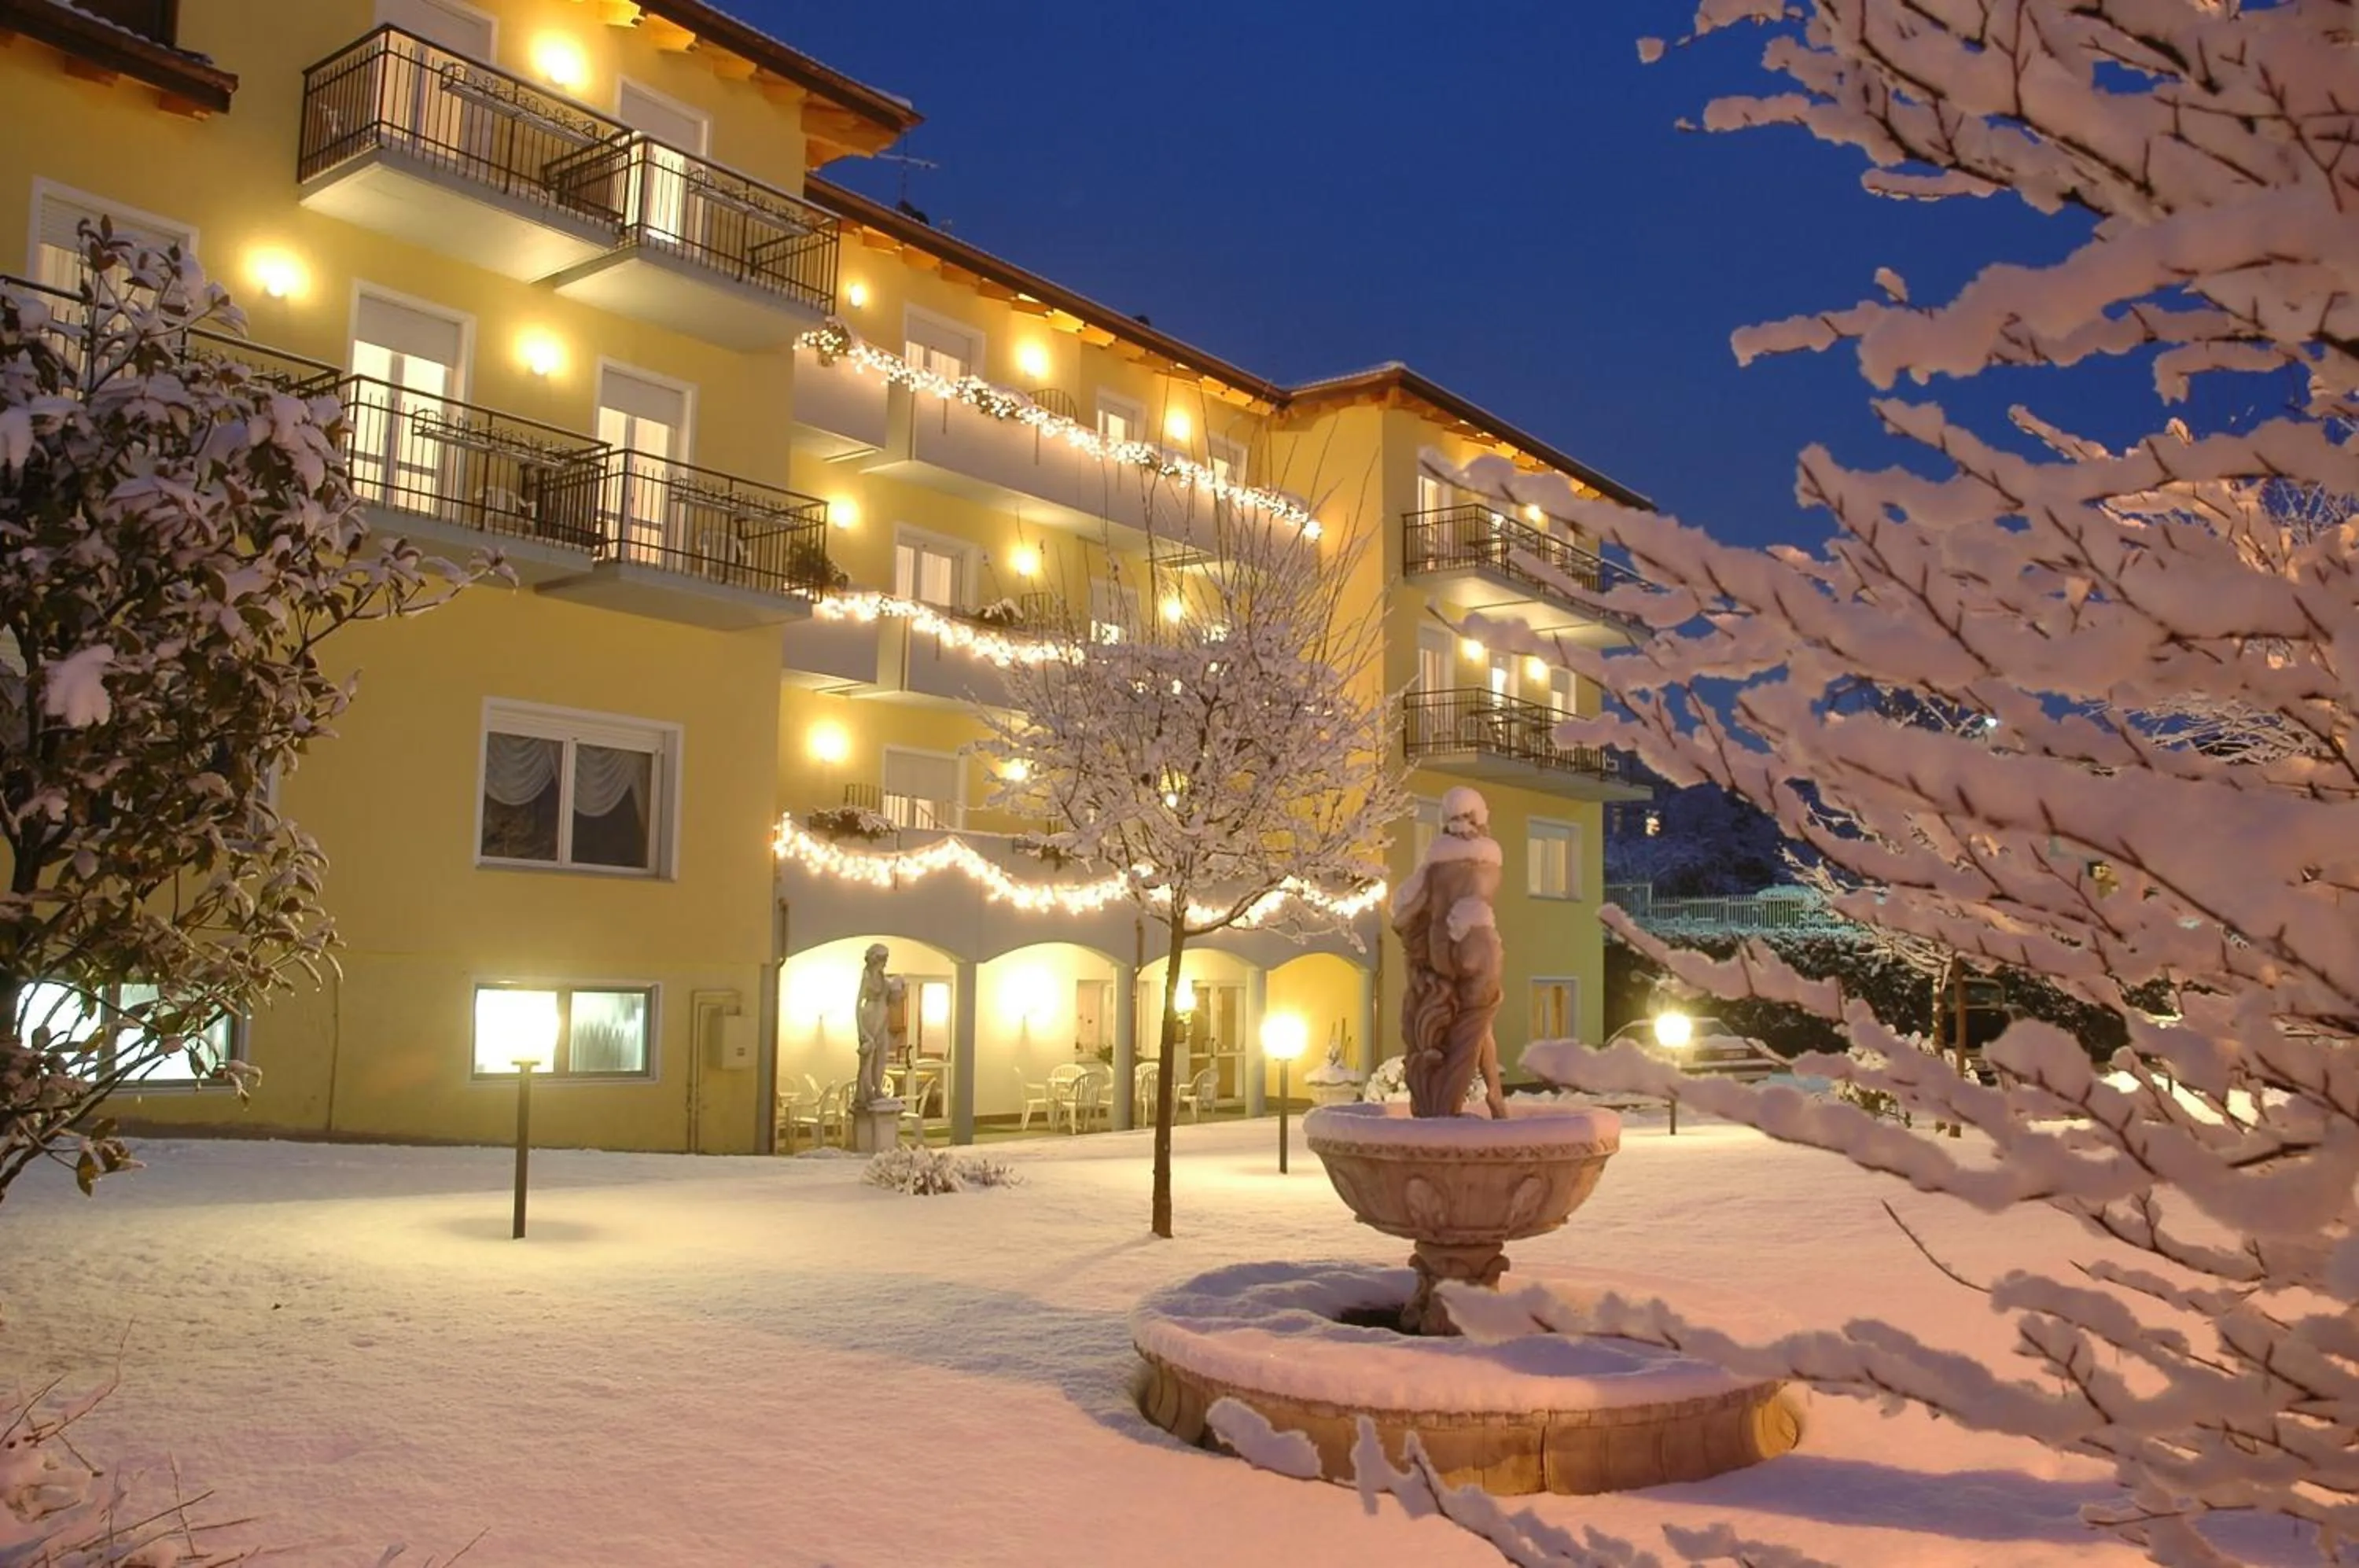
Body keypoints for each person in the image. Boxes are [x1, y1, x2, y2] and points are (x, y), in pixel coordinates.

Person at [1393, 786, 1507, 1118]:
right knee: (1479, 1018)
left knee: (1476, 1020)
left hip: (1444, 948)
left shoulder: (1437, 856)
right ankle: (1495, 1097)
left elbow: (1406, 908)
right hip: (1481, 943)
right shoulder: (1492, 856)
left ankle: (1451, 1104)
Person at [853, 943, 892, 1108]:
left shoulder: (882, 977)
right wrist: (862, 1031)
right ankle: (865, 1092)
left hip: (882, 1018)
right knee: (868, 1057)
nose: (885, 962)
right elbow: (857, 1004)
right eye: (883, 958)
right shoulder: (867, 977)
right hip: (870, 1018)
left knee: (881, 1056)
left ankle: (878, 1088)